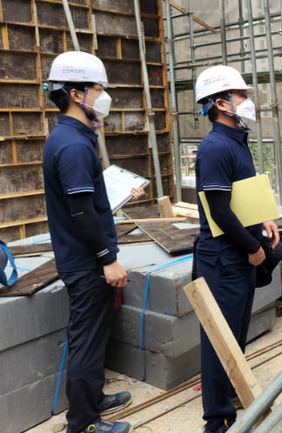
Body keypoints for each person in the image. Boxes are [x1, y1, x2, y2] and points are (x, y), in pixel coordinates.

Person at [44, 51, 142, 433]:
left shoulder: (74, 138)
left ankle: (94, 399)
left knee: (96, 333)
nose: (104, 96)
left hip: (84, 258)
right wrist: (107, 259)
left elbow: (86, 202)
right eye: (99, 89)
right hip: (86, 263)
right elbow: (81, 213)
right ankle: (83, 423)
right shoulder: (72, 145)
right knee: (85, 341)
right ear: (75, 93)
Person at [193, 65, 280, 433]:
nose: (248, 101)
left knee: (236, 335)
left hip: (238, 255)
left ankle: (230, 397)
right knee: (220, 344)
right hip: (223, 259)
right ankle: (217, 421)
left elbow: (241, 196)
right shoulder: (214, 148)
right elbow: (219, 210)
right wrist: (253, 249)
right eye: (241, 95)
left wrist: (263, 220)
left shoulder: (236, 141)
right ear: (221, 103)